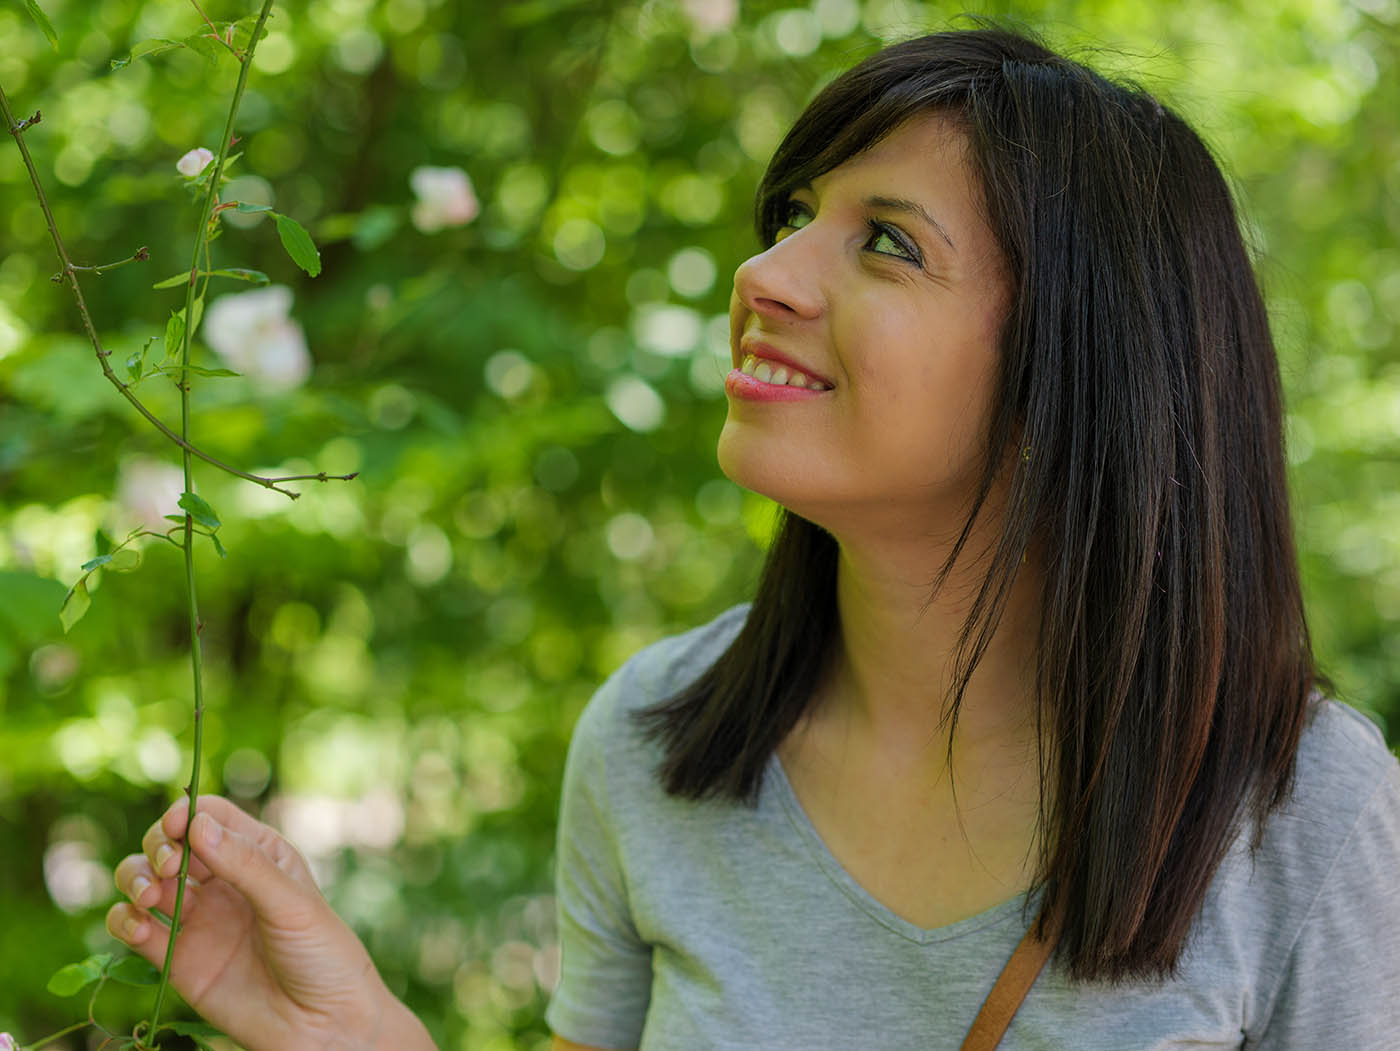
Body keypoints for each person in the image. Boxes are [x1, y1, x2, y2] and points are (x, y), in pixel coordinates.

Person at [108, 25, 1400, 1051]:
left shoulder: (1302, 815)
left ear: (1081, 370)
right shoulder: (657, 742)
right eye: (795, 216)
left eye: (886, 243)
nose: (766, 277)